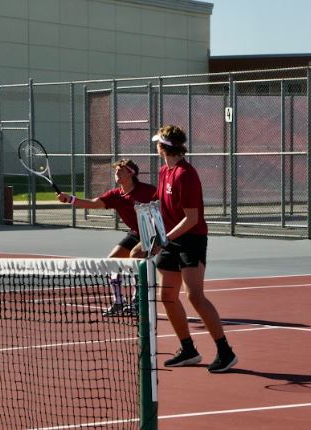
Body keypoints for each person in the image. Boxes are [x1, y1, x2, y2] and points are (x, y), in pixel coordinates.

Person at [141, 125, 237, 373]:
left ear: (164, 146)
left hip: (191, 240)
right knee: (167, 297)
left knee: (194, 295)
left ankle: (225, 351)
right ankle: (188, 349)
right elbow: (161, 208)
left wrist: (164, 238)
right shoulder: (164, 172)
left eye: (157, 143)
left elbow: (192, 218)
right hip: (170, 240)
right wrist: (153, 233)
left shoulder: (186, 174)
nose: (155, 146)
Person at [56, 159, 155, 316]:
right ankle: (118, 302)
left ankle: (138, 302)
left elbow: (165, 205)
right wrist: (70, 199)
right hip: (135, 233)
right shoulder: (116, 195)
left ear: (131, 173)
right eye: (116, 171)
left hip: (152, 233)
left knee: (135, 257)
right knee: (111, 262)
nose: (117, 173)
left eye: (120, 171)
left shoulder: (148, 191)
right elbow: (94, 204)